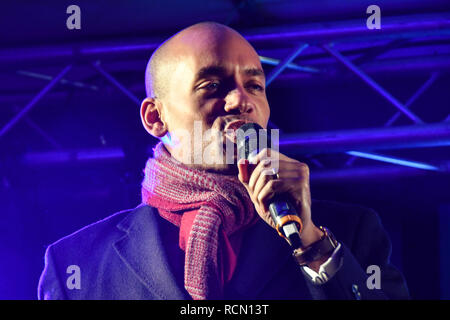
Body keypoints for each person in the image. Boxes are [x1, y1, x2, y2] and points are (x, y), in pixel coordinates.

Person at [38, 22, 409, 300]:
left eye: (255, 86)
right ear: (155, 118)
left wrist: (312, 246)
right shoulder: (78, 262)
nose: (240, 102)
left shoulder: (349, 232)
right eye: (213, 86)